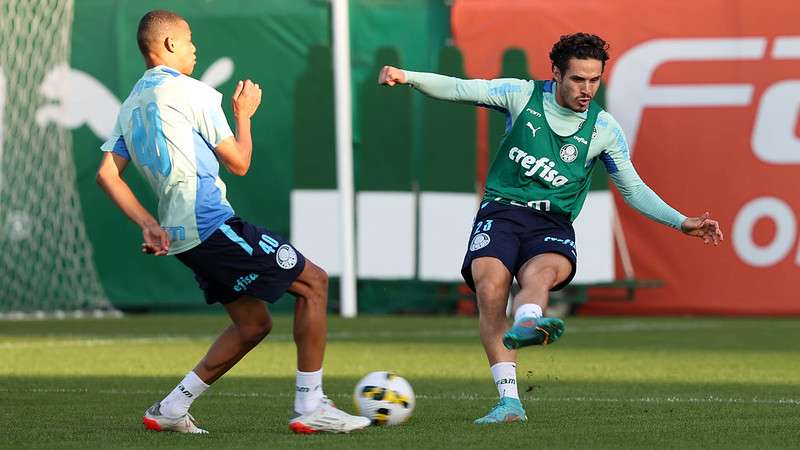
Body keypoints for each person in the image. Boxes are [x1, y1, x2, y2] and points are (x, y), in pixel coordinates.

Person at [378, 33, 723, 424]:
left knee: (539, 273)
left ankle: (528, 320)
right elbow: (460, 88)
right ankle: (509, 402)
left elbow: (633, 187)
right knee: (490, 289)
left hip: (551, 223)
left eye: (594, 80)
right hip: (502, 212)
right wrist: (406, 75)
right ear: (556, 73)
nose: (587, 89)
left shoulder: (603, 129)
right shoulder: (520, 96)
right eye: (578, 79)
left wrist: (681, 222)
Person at [95, 9, 370, 434]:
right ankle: (311, 405)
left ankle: (170, 409)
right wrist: (244, 114)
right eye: (189, 40)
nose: (194, 47)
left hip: (183, 237)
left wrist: (148, 223)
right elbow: (239, 162)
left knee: (253, 324)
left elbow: (106, 174)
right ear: (169, 45)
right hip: (211, 225)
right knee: (314, 282)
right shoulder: (193, 92)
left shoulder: (130, 104)